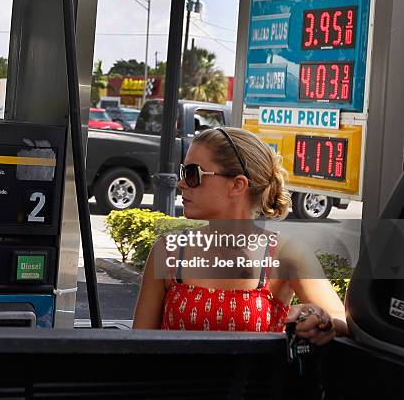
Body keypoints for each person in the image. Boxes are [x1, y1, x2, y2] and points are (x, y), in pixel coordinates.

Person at [133, 127, 349, 345]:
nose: (180, 184)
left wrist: (317, 317)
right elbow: (137, 347)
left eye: (192, 174)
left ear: (237, 185)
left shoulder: (286, 254)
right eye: (183, 173)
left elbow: (338, 318)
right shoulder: (168, 250)